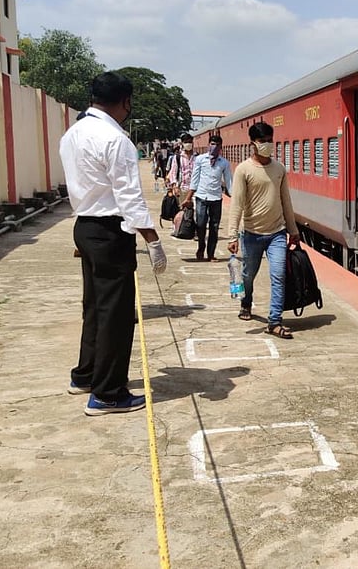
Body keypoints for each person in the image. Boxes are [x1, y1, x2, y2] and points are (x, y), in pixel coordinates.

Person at [58, 71, 167, 416]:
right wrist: (152, 238)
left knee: (94, 308)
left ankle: (85, 376)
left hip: (85, 227)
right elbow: (129, 196)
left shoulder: (72, 134)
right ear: (126, 102)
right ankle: (108, 394)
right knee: (117, 316)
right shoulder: (116, 140)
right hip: (109, 231)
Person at [226, 121, 300, 339]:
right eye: (262, 141)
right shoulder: (243, 170)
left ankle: (274, 321)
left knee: (278, 275)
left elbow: (286, 200)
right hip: (251, 234)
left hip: (277, 232)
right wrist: (232, 235)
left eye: (270, 140)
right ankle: (246, 301)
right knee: (248, 275)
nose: (267, 144)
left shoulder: (279, 169)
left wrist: (292, 229)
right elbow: (237, 203)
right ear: (253, 144)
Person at [182, 135, 232, 261]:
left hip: (216, 198)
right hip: (201, 197)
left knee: (214, 227)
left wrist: (235, 197)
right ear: (209, 144)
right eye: (212, 143)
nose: (214, 146)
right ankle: (201, 248)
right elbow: (195, 179)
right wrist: (188, 198)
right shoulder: (200, 159)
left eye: (217, 144)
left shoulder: (224, 163)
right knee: (201, 224)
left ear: (221, 147)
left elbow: (229, 182)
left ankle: (211, 253)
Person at [166, 133, 195, 203]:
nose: (188, 144)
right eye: (186, 142)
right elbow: (173, 172)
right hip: (182, 189)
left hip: (195, 190)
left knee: (196, 211)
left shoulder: (197, 157)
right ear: (182, 143)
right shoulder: (178, 157)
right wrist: (174, 187)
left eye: (190, 142)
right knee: (183, 210)